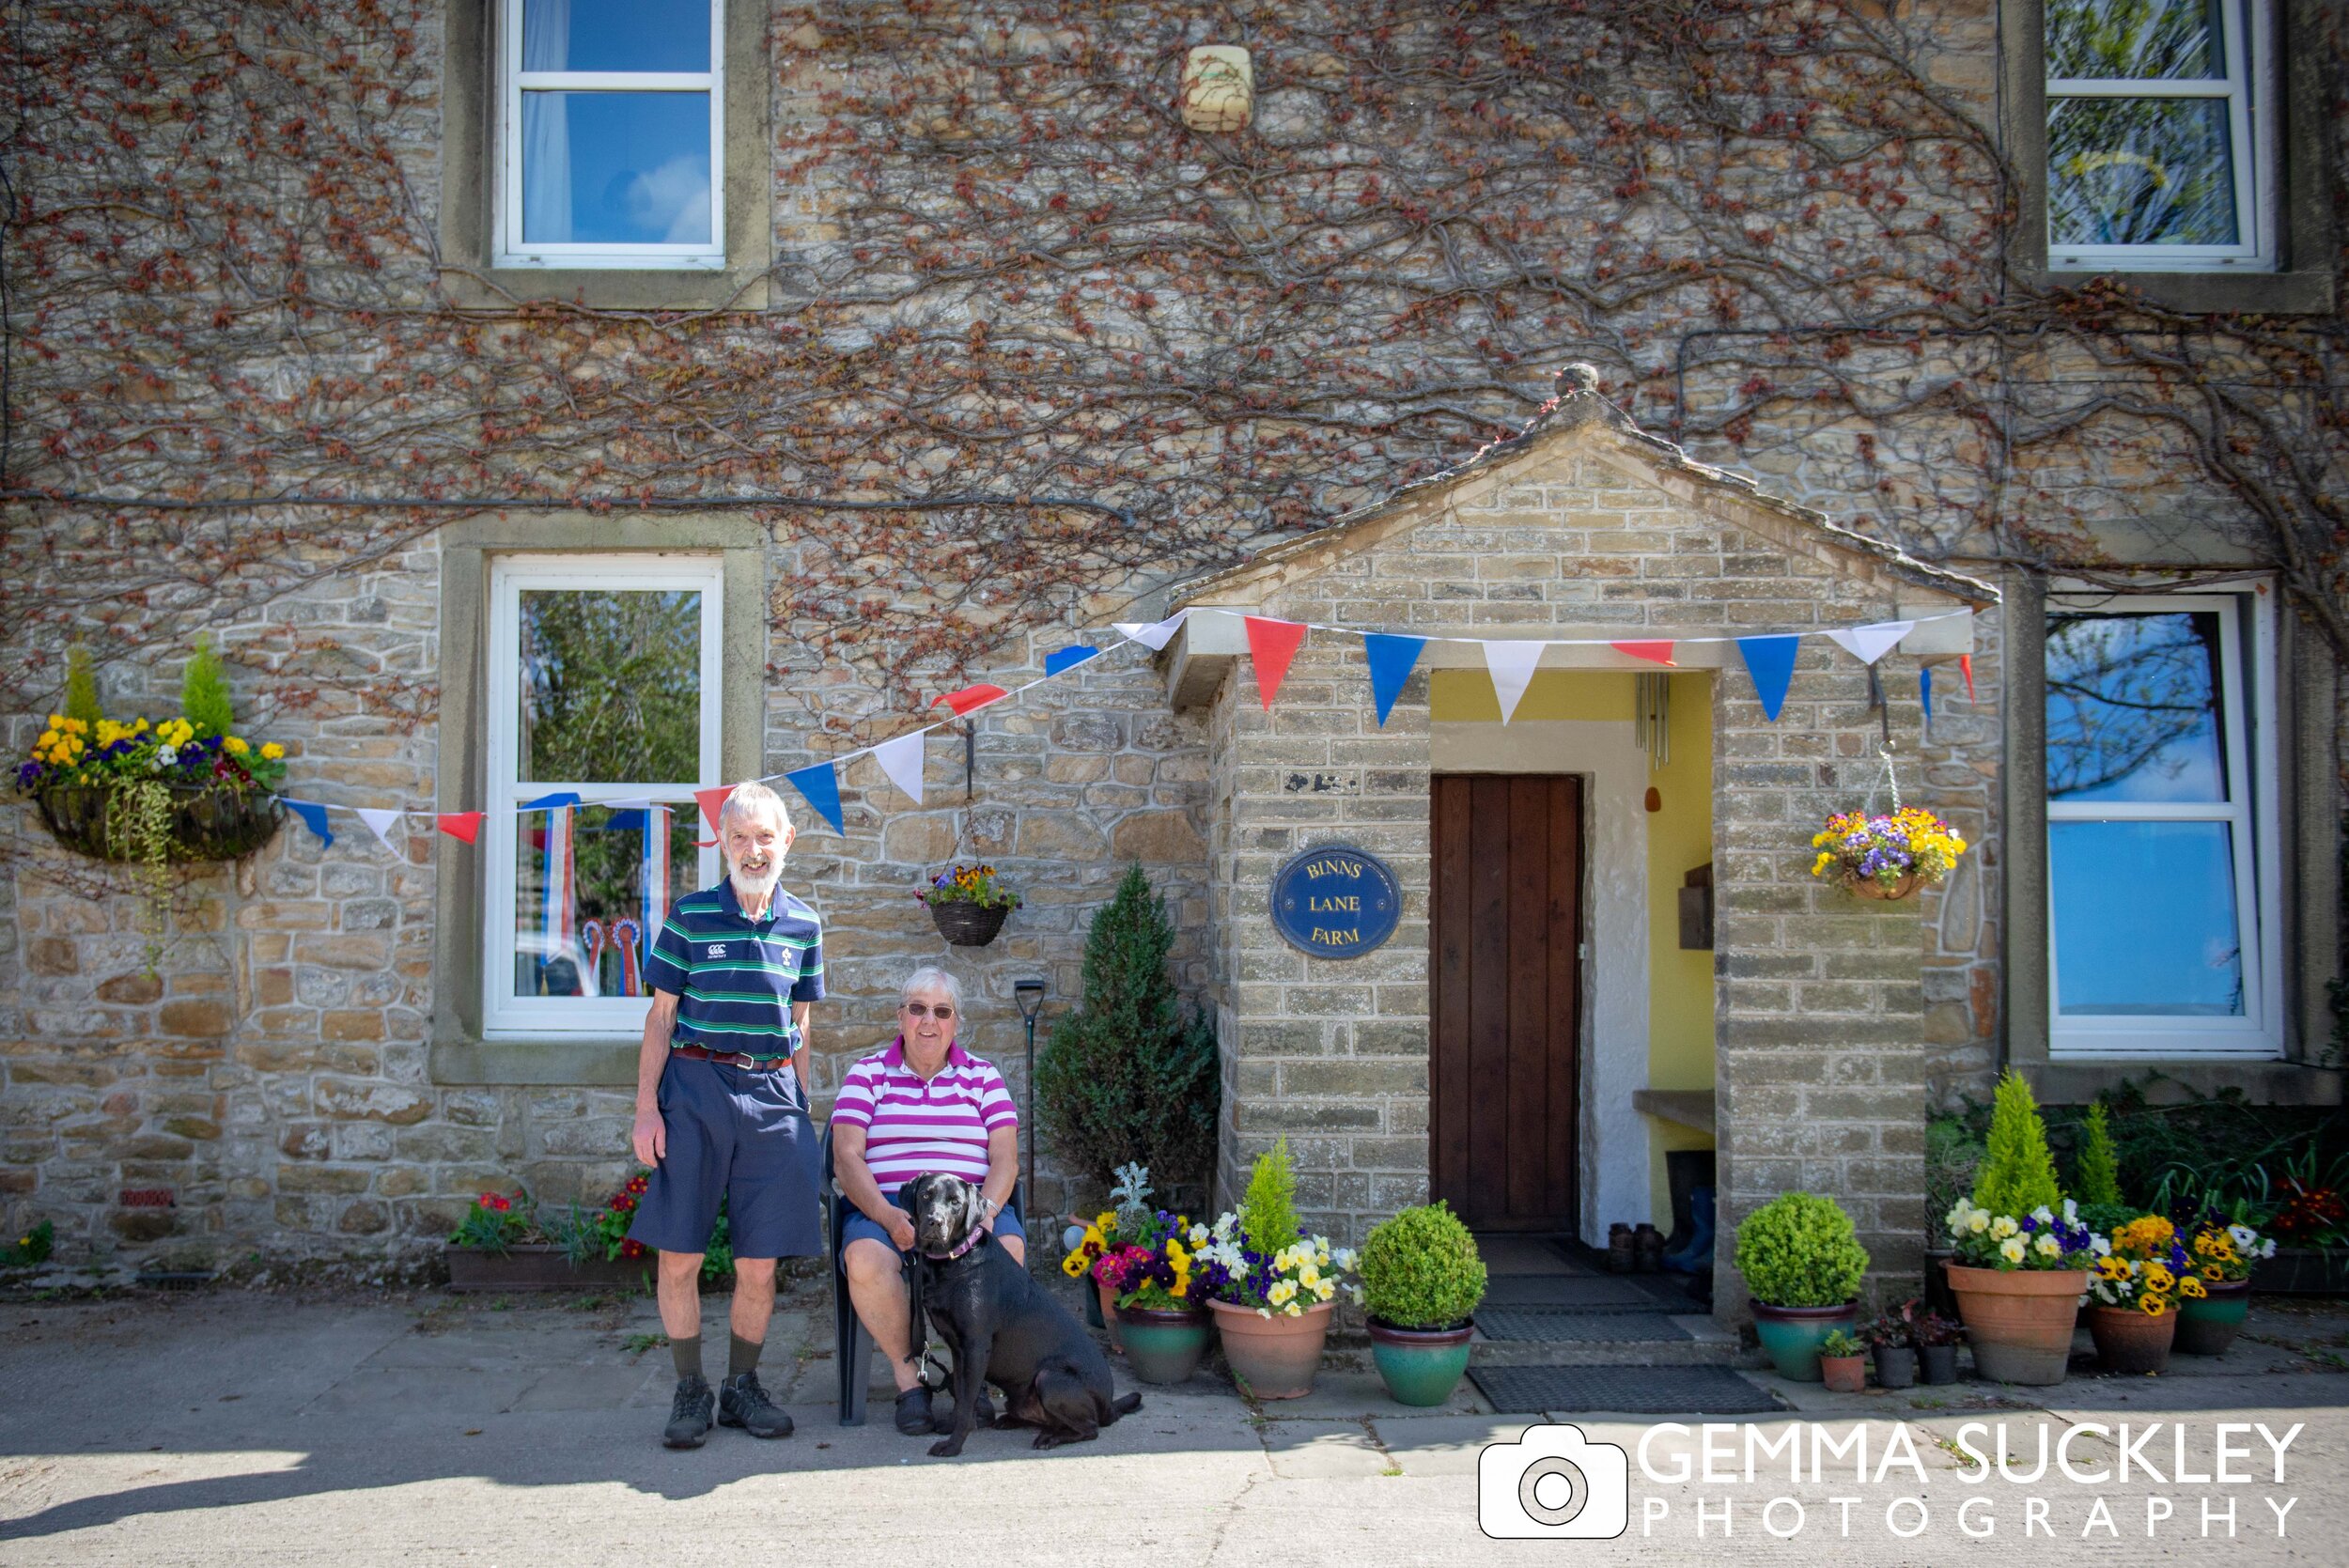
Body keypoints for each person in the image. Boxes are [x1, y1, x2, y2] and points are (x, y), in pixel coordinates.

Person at [627, 781, 824, 1450]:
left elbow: (800, 1024)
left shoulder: (805, 926)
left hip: (772, 1097)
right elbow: (660, 1019)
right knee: (679, 1254)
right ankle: (691, 1387)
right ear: (721, 843)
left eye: (764, 835)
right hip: (694, 1089)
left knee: (759, 1263)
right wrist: (646, 1109)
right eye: (739, 836)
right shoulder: (688, 917)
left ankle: (741, 1386)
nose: (752, 848)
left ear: (786, 840)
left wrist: (803, 1107)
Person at [832, 967, 1024, 1436]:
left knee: (1010, 1252)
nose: (928, 1021)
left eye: (942, 1011)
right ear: (901, 1017)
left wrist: (987, 1217)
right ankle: (910, 1384)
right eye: (917, 1009)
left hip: (969, 1217)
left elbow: (1005, 1160)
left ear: (955, 1023)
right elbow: (846, 1158)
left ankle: (971, 1384)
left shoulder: (983, 1077)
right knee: (864, 1259)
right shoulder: (867, 1075)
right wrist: (884, 1213)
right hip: (888, 1212)